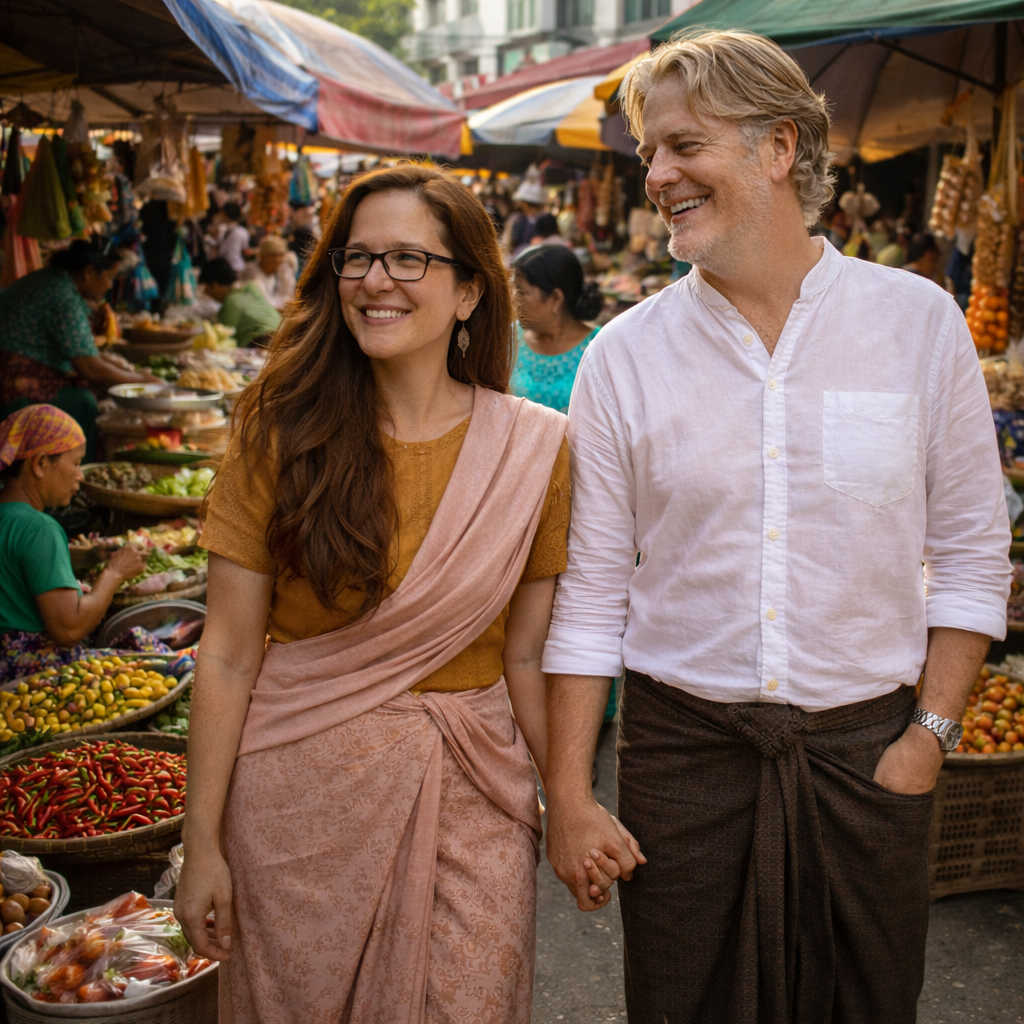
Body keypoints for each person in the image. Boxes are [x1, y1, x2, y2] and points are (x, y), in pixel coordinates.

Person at [542, 30, 1011, 1024]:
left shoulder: (916, 324)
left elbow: (973, 550)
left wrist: (927, 733)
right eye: (648, 154)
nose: (656, 175)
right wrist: (571, 794)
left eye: (683, 146)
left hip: (869, 753)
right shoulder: (624, 358)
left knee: (865, 1002)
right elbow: (587, 589)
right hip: (682, 755)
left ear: (780, 147)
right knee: (683, 1002)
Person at [175, 163, 570, 1023]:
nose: (376, 282)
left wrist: (569, 805)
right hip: (296, 808)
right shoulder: (279, 433)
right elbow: (231, 655)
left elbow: (530, 654)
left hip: (477, 791)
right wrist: (198, 843)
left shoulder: (535, 451)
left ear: (469, 291)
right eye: (357, 260)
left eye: (407, 260)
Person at [0, 405, 146, 682]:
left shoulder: (11, 516)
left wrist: (87, 557)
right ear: (41, 463)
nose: (79, 475)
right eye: (76, 463)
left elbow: (15, 559)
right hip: (29, 676)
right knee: (155, 656)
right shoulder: (39, 528)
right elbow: (69, 630)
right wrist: (114, 572)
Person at [0, 239, 159, 462]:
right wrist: (142, 381)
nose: (109, 285)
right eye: (109, 277)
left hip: (17, 376)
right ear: (89, 272)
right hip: (13, 388)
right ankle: (81, 480)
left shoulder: (56, 282)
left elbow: (86, 349)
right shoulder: (61, 293)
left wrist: (129, 373)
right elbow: (90, 367)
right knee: (84, 402)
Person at [511, 244, 603, 414]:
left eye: (522, 292)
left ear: (555, 298)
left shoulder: (598, 348)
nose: (514, 299)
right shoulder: (509, 340)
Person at [197, 258, 281, 347]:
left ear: (214, 285)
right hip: (281, 332)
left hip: (263, 340)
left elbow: (224, 336)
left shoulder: (230, 302)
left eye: (207, 289)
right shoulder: (251, 287)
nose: (207, 293)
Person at [240, 235, 297, 310]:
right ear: (262, 256)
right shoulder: (252, 273)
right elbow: (263, 304)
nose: (277, 259)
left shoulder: (277, 271)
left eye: (281, 255)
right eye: (273, 255)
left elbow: (289, 294)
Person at [212, 202, 250, 274]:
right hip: (238, 266)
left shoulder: (221, 229)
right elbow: (245, 252)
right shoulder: (243, 232)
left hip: (225, 267)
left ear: (223, 213)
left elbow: (216, 247)